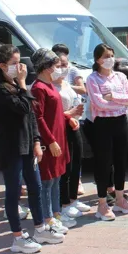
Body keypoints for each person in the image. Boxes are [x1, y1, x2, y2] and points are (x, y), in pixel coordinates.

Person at [0, 45, 64, 253]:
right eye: (15, 63)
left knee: (35, 187)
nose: (20, 67)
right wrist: (22, 83)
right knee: (13, 192)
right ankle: (18, 237)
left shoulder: (15, 85)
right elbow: (22, 107)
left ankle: (40, 228)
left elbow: (31, 115)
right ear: (2, 65)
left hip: (28, 145)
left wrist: (37, 141)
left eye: (20, 62)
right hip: (11, 147)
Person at [86, 44, 128, 220]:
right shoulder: (92, 79)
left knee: (121, 161)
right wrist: (117, 102)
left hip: (121, 121)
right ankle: (102, 203)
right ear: (98, 59)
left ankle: (120, 198)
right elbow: (99, 103)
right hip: (102, 124)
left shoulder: (121, 76)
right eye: (106, 56)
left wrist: (113, 97)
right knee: (103, 163)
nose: (110, 59)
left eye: (111, 55)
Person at [30, 49, 73, 235]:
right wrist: (51, 140)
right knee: (47, 182)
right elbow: (38, 118)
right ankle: (48, 218)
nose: (58, 69)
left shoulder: (50, 85)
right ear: (46, 67)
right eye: (55, 65)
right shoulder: (38, 88)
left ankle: (56, 213)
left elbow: (54, 114)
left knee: (56, 178)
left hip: (59, 138)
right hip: (50, 141)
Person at [52, 49, 90, 222]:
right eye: (59, 66)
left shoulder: (67, 85)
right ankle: (64, 203)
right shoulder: (50, 87)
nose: (64, 69)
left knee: (76, 163)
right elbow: (53, 114)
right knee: (65, 168)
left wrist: (75, 113)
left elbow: (77, 100)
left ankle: (73, 199)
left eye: (65, 65)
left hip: (74, 125)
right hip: (62, 128)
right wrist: (70, 113)